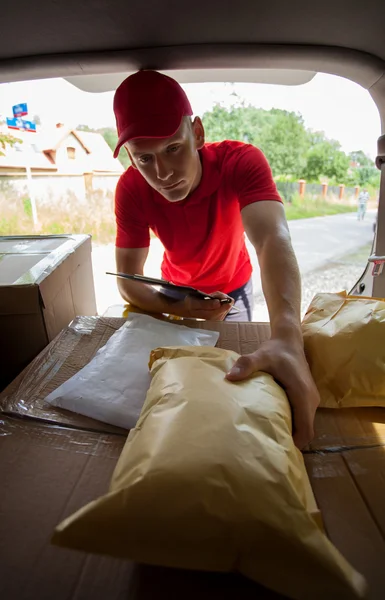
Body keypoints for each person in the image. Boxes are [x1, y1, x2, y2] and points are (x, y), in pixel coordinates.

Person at [113, 70, 319, 449]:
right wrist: (181, 304)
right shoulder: (130, 188)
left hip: (234, 293)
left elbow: (272, 236)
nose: (162, 174)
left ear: (198, 133)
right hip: (175, 295)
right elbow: (127, 280)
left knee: (239, 382)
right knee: (175, 388)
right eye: (145, 158)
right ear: (129, 156)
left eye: (173, 148)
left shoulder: (240, 161)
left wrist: (288, 338)